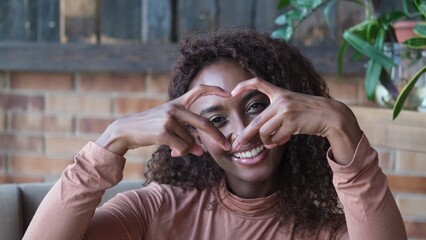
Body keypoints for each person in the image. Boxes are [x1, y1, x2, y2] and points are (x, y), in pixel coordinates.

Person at [24, 28, 407, 240]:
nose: (243, 133)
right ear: (195, 136)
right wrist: (113, 139)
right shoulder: (154, 210)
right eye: (217, 119)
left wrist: (341, 125)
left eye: (257, 107)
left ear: (293, 116)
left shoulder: (328, 230)